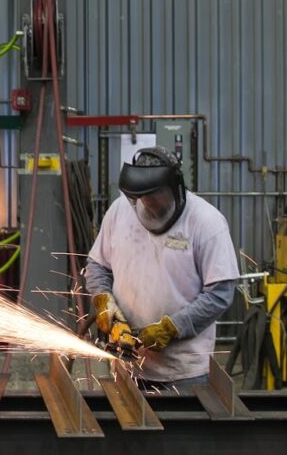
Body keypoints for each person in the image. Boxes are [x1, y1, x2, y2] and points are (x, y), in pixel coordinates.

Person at [85, 146, 239, 390]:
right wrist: (104, 302)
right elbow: (96, 266)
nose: (147, 202)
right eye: (140, 196)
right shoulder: (119, 211)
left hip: (185, 372)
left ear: (173, 187)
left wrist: (173, 327)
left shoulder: (207, 222)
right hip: (127, 368)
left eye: (154, 194)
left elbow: (220, 294)